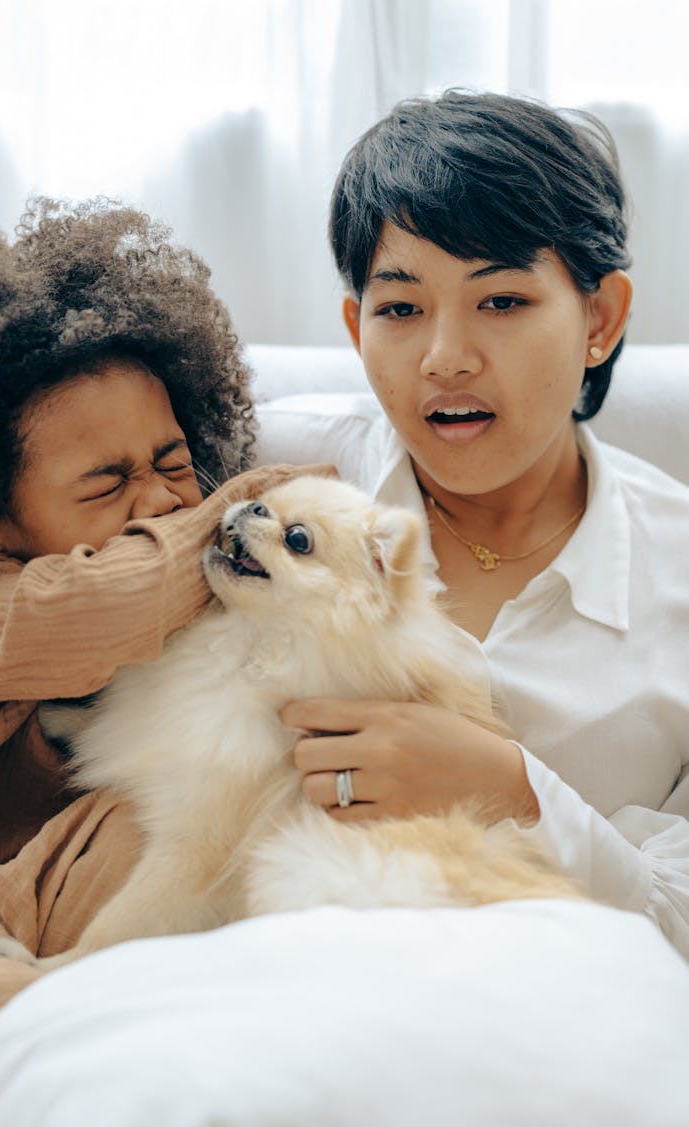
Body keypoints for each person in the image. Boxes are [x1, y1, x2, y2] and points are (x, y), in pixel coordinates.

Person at [257, 90, 689, 958]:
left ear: (599, 317)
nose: (445, 356)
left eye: (500, 301)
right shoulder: (274, 475)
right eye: (401, 309)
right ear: (356, 325)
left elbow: (678, 920)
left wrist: (513, 789)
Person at [0, 198, 319, 1122]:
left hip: (71, 902)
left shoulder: (213, 607)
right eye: (106, 482)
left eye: (174, 459)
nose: (156, 503)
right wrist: (266, 509)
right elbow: (108, 602)